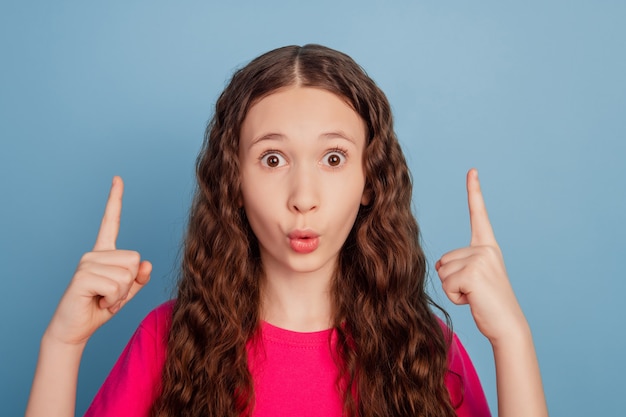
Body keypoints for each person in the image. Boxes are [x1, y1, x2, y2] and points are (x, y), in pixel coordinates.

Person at [26, 44, 548, 417]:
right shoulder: (170, 339)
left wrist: (512, 339)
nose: (303, 196)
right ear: (235, 180)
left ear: (370, 180)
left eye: (334, 158)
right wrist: (62, 344)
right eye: (273, 159)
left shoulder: (421, 348)